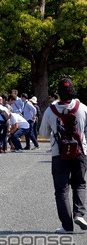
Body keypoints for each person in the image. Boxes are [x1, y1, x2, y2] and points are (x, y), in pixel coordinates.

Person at [39, 78, 87, 234]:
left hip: (59, 153)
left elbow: (44, 133)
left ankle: (67, 225)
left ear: (58, 92)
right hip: (80, 151)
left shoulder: (50, 110)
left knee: (61, 190)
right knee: (79, 184)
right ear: (73, 90)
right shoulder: (83, 108)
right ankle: (79, 214)